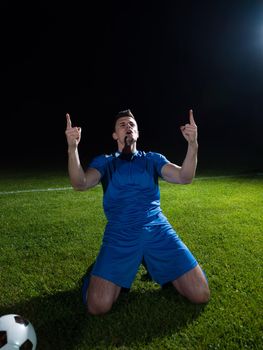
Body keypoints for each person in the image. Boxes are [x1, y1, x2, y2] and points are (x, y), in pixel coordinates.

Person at [65, 109, 210, 316]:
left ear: (138, 133)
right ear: (115, 135)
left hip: (157, 229)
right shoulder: (105, 162)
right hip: (120, 234)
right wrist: (73, 149)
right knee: (97, 306)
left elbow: (184, 177)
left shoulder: (152, 159)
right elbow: (80, 183)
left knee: (200, 294)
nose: (128, 127)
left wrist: (193, 144)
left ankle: (153, 263)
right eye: (122, 125)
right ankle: (96, 270)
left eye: (132, 124)